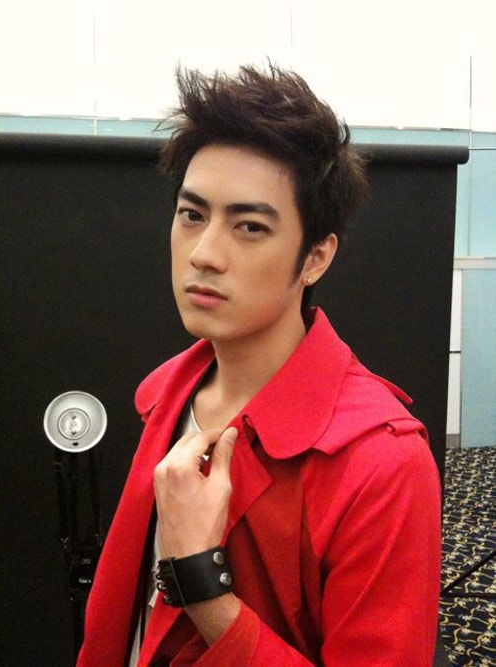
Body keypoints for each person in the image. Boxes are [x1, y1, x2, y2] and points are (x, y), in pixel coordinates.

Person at [77, 65, 441, 667]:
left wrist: (202, 584)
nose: (204, 254)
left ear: (316, 257)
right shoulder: (169, 393)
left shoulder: (381, 464)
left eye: (249, 227)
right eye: (192, 215)